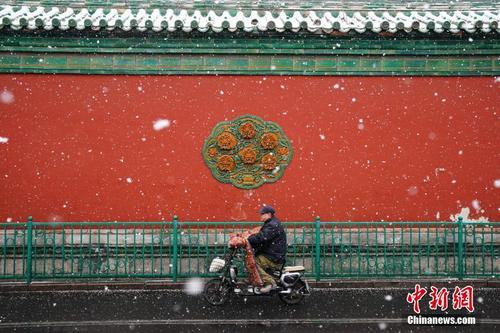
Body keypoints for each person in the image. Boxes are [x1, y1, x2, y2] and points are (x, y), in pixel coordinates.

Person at [247, 205, 287, 293]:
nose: (260, 216)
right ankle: (258, 281)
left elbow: (262, 237)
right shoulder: (271, 223)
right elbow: (263, 238)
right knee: (254, 259)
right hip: (272, 254)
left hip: (273, 256)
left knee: (252, 263)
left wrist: (248, 239)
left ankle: (269, 282)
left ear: (269, 214)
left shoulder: (272, 225)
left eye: (262, 214)